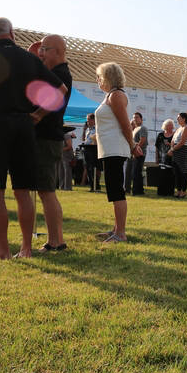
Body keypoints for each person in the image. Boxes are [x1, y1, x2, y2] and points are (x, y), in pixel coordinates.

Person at [0, 17, 67, 259]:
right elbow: (60, 90)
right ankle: (26, 249)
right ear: (11, 32)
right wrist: (38, 114)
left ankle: (3, 251)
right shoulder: (30, 58)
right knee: (23, 190)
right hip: (24, 126)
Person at [32, 34, 73, 252]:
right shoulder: (57, 72)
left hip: (47, 138)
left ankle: (55, 241)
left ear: (57, 51)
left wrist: (37, 115)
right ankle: (56, 240)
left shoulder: (59, 74)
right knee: (45, 191)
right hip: (48, 138)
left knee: (47, 192)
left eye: (44, 50)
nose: (41, 54)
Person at [94, 62, 143, 242]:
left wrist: (132, 145)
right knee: (113, 190)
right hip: (110, 149)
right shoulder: (111, 95)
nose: (98, 80)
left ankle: (120, 233)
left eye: (99, 77)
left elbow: (125, 125)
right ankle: (116, 229)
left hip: (115, 149)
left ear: (108, 77)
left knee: (116, 191)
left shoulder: (116, 95)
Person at [169, 113, 187, 198]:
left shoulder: (186, 128)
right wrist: (172, 148)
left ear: (184, 119)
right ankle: (178, 191)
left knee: (183, 172)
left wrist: (172, 149)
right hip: (176, 151)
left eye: (179, 118)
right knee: (177, 173)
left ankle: (184, 191)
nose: (177, 119)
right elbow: (172, 140)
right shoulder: (178, 129)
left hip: (182, 152)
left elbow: (182, 142)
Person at [126, 112, 148, 195]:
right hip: (133, 153)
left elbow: (142, 140)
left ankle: (137, 191)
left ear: (141, 119)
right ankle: (138, 190)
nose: (135, 119)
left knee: (136, 172)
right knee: (135, 172)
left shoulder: (143, 128)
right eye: (134, 117)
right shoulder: (135, 129)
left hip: (139, 154)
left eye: (137, 117)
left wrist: (136, 150)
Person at [81, 114, 98, 191]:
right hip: (86, 149)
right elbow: (83, 139)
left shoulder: (97, 129)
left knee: (93, 168)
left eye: (88, 120)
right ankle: (91, 186)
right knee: (87, 168)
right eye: (87, 120)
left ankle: (96, 185)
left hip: (93, 150)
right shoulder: (88, 129)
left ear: (93, 120)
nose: (87, 122)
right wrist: (84, 130)